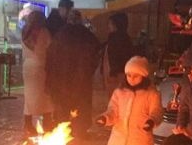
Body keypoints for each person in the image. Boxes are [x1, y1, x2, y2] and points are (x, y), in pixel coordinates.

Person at [46, 9, 100, 138]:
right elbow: (95, 54)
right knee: (82, 105)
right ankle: (81, 129)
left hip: (62, 78)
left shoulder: (60, 34)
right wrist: (88, 71)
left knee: (64, 105)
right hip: (82, 78)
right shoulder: (87, 35)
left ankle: (63, 129)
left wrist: (51, 77)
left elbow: (51, 57)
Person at [21, 10, 54, 137]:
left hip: (27, 66)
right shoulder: (44, 32)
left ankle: (28, 124)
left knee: (29, 96)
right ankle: (47, 122)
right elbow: (50, 46)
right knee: (45, 96)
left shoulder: (25, 31)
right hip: (40, 66)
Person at [101, 12, 135, 95]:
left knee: (116, 98)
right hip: (118, 75)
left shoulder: (116, 39)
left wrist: (113, 72)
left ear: (117, 25)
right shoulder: (125, 39)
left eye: (110, 23)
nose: (108, 26)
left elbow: (115, 57)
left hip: (116, 76)